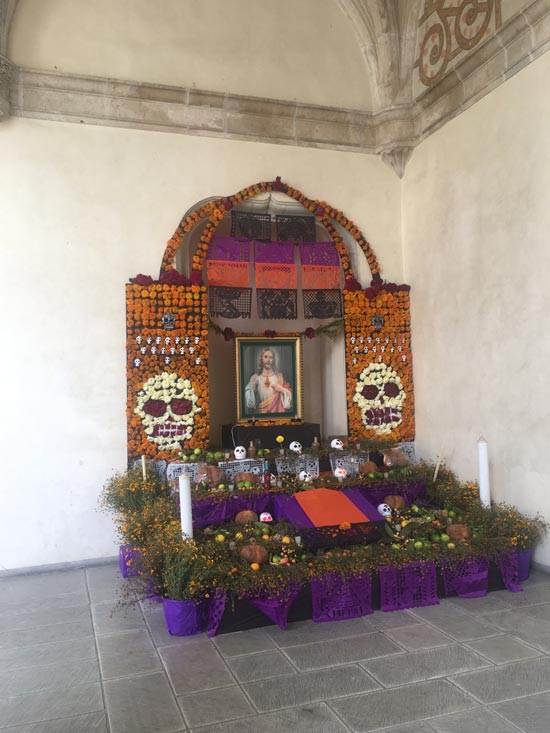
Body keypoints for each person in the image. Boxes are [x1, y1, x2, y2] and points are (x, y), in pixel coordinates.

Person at [245, 347, 292, 414]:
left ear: (274, 360)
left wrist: (281, 389)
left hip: (276, 414)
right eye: (266, 357)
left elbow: (290, 393)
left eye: (271, 357)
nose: (268, 360)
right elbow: (249, 401)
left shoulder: (279, 377)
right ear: (261, 359)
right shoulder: (255, 377)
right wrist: (253, 389)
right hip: (260, 414)